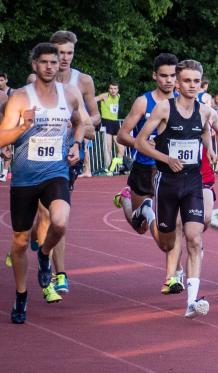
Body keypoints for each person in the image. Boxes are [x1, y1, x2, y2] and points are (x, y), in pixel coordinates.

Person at [1, 43, 86, 323]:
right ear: (34, 65)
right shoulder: (20, 98)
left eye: (54, 61)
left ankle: (46, 254)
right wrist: (23, 128)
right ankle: (22, 295)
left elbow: (79, 122)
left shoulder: (70, 94)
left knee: (60, 221)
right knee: (20, 240)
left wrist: (75, 144)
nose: (50, 66)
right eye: (44, 62)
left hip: (55, 173)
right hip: (25, 178)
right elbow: (2, 139)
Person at [133, 59, 217, 319]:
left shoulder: (204, 111)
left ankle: (192, 301)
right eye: (187, 81)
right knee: (168, 241)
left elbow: (206, 133)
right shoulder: (163, 109)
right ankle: (148, 212)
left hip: (193, 181)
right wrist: (166, 158)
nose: (192, 86)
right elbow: (139, 142)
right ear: (178, 84)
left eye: (196, 81)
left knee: (194, 237)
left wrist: (212, 151)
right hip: (167, 181)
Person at [28, 30, 101, 295]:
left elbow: (95, 118)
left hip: (67, 153)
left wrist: (78, 126)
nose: (65, 58)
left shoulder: (83, 82)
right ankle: (55, 269)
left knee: (56, 215)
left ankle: (57, 271)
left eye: (70, 53)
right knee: (44, 213)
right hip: (38, 153)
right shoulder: (34, 81)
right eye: (60, 53)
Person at [115, 53, 186, 295]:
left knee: (171, 225)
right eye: (163, 76)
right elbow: (122, 135)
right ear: (155, 75)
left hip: (169, 170)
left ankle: (174, 272)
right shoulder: (143, 102)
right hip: (144, 168)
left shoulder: (183, 101)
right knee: (142, 227)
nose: (168, 80)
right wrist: (143, 142)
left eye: (172, 76)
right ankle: (127, 199)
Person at [96, 82, 125, 174]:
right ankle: (108, 169)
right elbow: (92, 100)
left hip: (115, 123)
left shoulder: (118, 96)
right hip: (106, 122)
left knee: (121, 148)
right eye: (111, 88)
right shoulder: (105, 96)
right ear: (109, 89)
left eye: (115, 88)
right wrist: (96, 114)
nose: (113, 90)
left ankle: (120, 167)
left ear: (118, 90)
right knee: (107, 148)